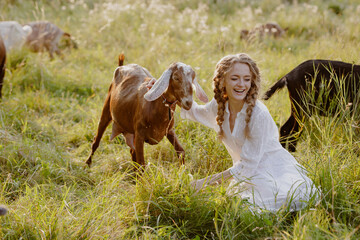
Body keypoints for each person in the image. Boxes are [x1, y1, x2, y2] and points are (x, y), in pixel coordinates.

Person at [147, 53, 319, 212]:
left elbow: (248, 165)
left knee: (246, 209)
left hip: (271, 172)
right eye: (235, 78)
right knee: (232, 204)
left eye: (246, 79)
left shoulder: (258, 114)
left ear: (252, 82)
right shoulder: (220, 105)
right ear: (222, 81)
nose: (241, 84)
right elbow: (196, 112)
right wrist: (168, 90)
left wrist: (205, 182)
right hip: (243, 174)